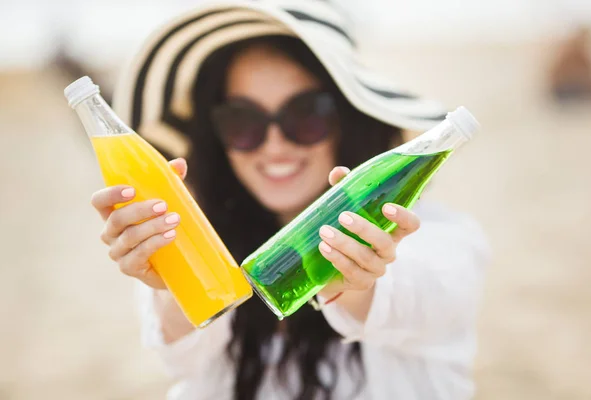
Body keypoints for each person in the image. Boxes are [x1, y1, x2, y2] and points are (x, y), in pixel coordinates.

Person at [91, 1, 490, 399]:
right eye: (242, 121)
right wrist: (182, 279)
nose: (274, 145)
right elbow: (179, 360)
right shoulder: (193, 239)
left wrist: (354, 279)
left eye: (305, 115)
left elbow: (413, 299)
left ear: (347, 118)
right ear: (217, 135)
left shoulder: (442, 240)